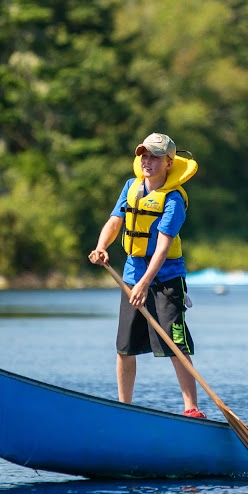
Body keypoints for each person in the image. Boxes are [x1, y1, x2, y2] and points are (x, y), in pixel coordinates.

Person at [88, 133, 207, 419]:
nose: (147, 161)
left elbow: (163, 247)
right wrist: (101, 246)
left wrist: (144, 284)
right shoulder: (131, 187)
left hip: (166, 281)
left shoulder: (174, 200)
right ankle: (125, 409)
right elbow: (115, 221)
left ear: (168, 163)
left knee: (174, 345)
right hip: (132, 275)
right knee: (124, 347)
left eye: (154, 157)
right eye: (144, 155)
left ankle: (192, 409)